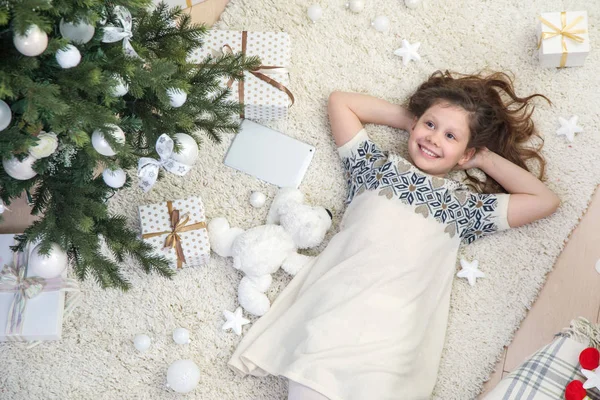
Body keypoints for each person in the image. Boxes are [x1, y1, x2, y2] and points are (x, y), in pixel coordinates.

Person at [227, 71, 560, 400]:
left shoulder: (465, 208)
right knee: (314, 376)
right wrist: (413, 122)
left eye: (450, 136)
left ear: (466, 154)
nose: (433, 138)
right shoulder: (375, 168)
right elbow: (340, 102)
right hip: (334, 313)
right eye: (430, 125)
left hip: (393, 335)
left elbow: (544, 201)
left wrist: (482, 157)